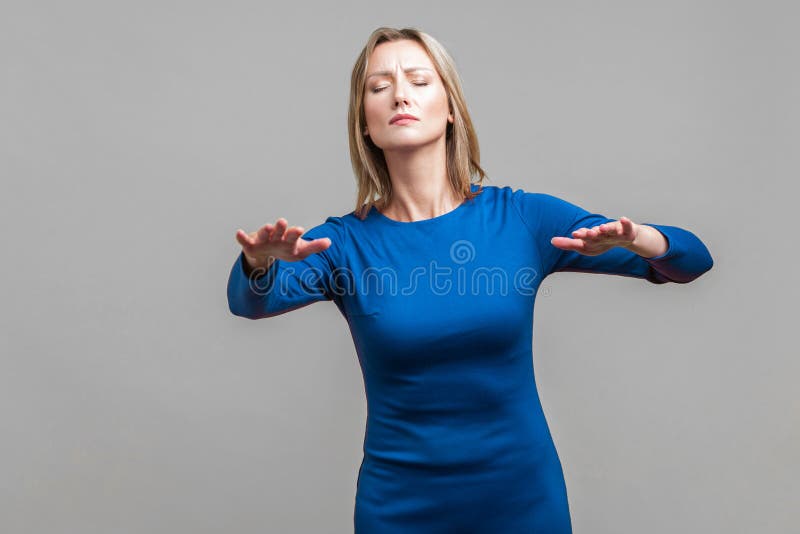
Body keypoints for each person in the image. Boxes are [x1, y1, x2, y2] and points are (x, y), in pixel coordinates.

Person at [227, 27, 713, 534]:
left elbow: (691, 262)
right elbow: (251, 303)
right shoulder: (342, 245)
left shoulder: (520, 219)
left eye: (418, 80)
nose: (399, 94)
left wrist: (639, 239)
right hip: (399, 509)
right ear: (365, 124)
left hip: (523, 501)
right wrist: (259, 265)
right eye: (378, 87)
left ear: (451, 107)